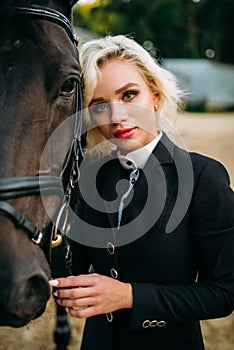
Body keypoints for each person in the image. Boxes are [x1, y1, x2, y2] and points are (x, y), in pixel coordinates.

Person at [49, 35, 234, 350]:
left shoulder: (203, 176)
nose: (117, 117)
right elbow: (67, 272)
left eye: (129, 95)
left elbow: (225, 292)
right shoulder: (89, 176)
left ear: (156, 95)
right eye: (99, 105)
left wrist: (129, 297)